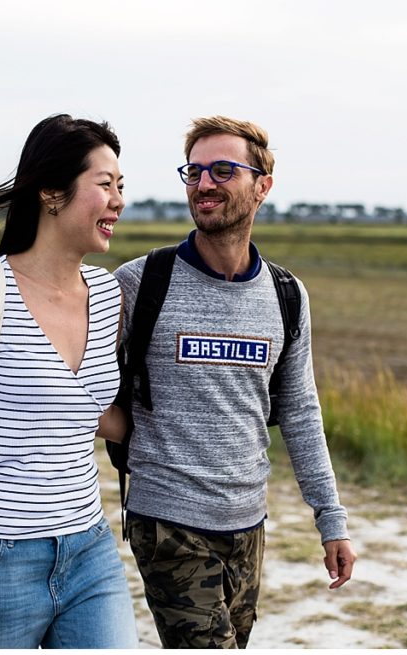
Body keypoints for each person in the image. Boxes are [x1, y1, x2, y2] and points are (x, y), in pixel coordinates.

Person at [112, 115, 357, 648]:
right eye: (194, 172)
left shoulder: (286, 295)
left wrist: (330, 520)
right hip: (166, 520)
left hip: (248, 521)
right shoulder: (139, 283)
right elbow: (80, 389)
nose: (204, 185)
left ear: (262, 186)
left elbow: (299, 411)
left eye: (223, 170)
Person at [0, 114, 137, 649]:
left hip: (88, 550)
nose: (118, 201)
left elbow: (89, 410)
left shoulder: (108, 297)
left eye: (121, 187)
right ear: (52, 194)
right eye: (104, 185)